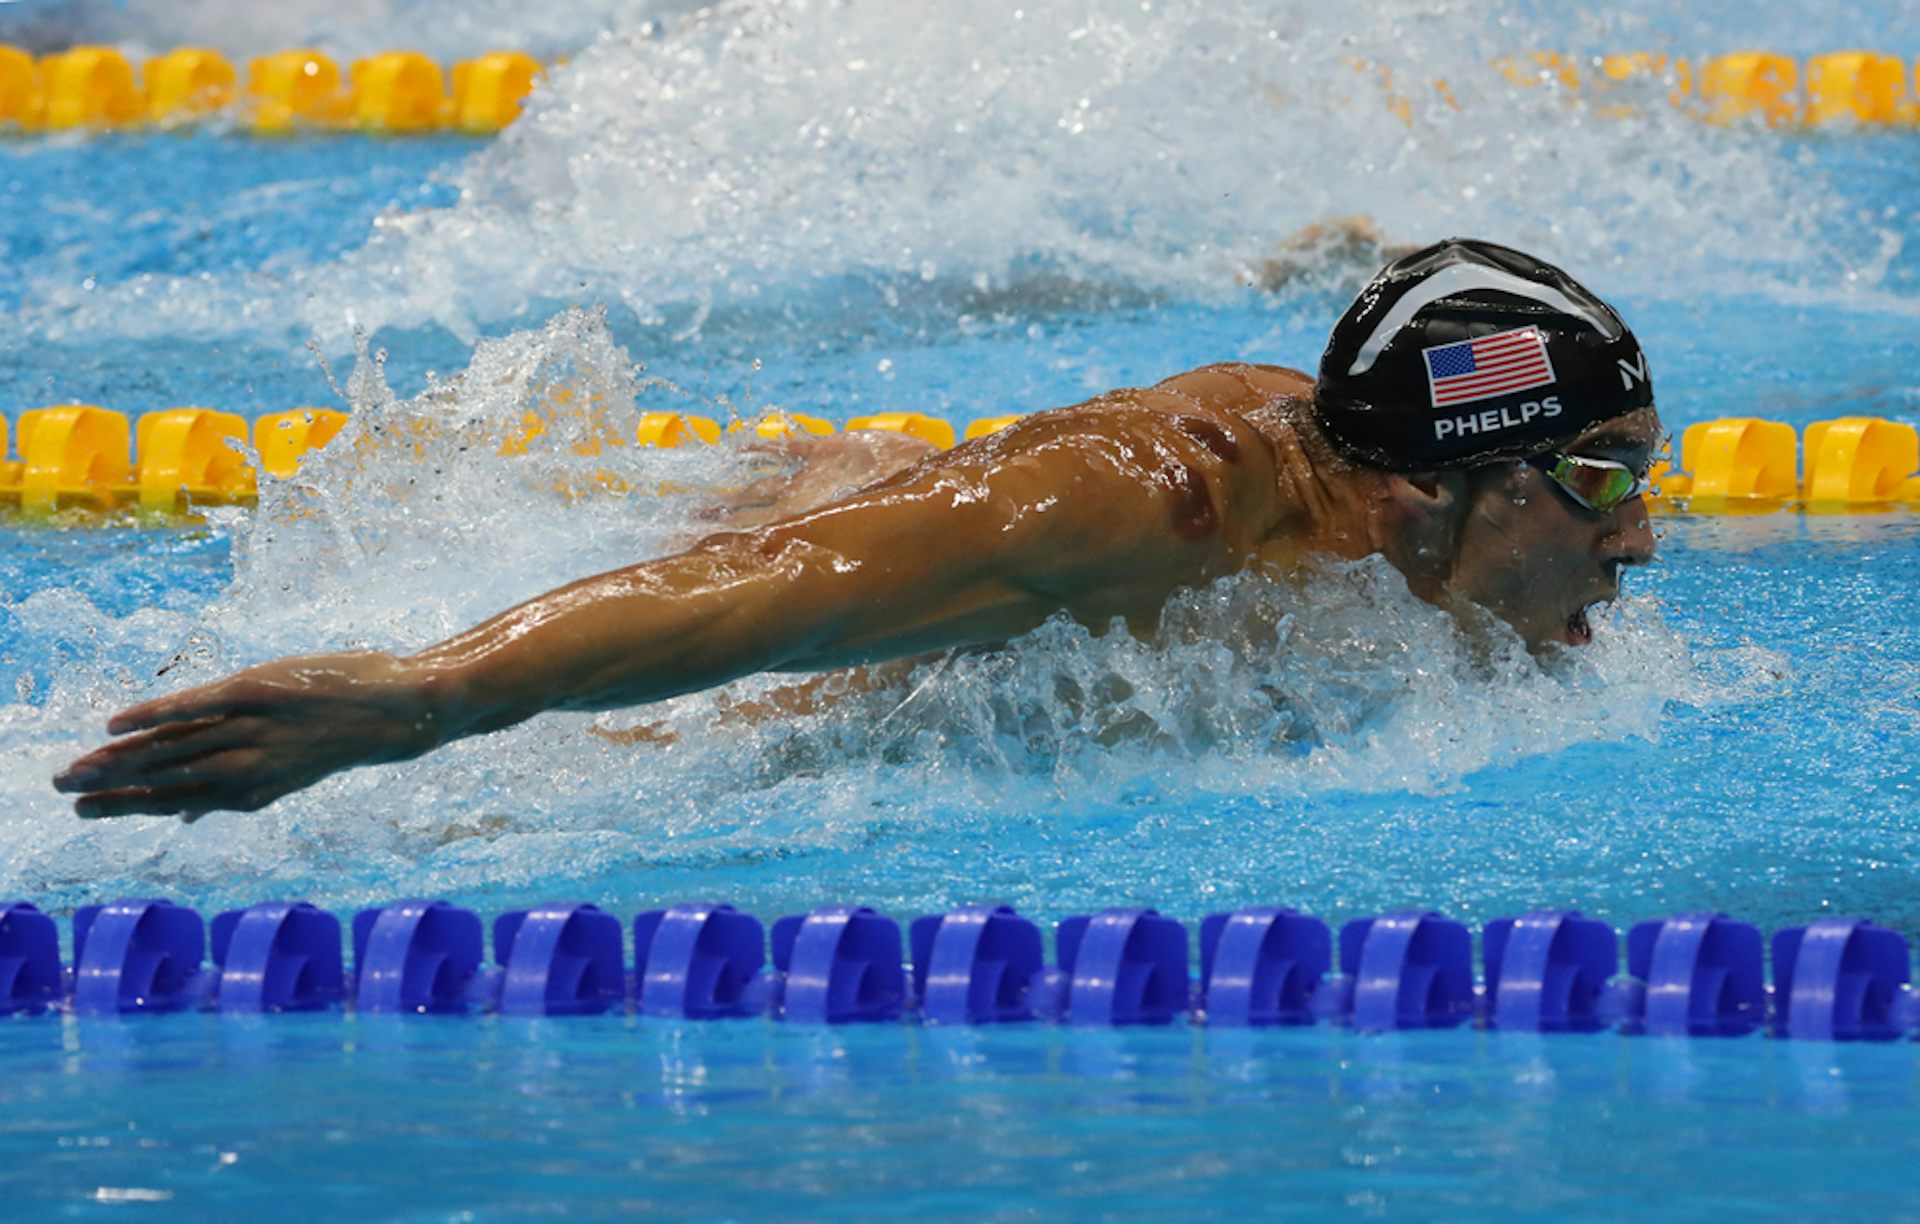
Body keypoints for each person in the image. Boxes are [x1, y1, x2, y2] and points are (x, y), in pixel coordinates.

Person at [55, 238, 1660, 820]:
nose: (1641, 541)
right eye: (1599, 481)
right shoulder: (1150, 510)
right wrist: (420, 699)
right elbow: (769, 596)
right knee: (756, 726)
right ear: (1441, 482)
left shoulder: (1374, 494)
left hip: (914, 497)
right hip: (871, 554)